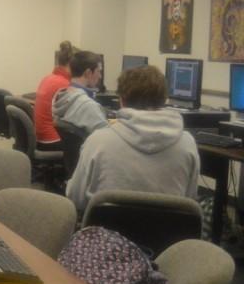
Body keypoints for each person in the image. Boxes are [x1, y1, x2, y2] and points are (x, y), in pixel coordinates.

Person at [66, 65, 199, 211]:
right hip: (167, 233)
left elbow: (75, 198)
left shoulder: (97, 141)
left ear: (121, 101)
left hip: (107, 230)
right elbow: (189, 199)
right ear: (164, 100)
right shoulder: (187, 144)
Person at [52, 50, 108, 138]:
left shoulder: (61, 96)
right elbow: (106, 140)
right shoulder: (89, 106)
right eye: (98, 71)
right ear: (88, 73)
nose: (100, 76)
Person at [34, 41, 75, 151]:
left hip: (40, 138)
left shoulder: (47, 78)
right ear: (73, 65)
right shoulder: (65, 84)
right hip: (52, 140)